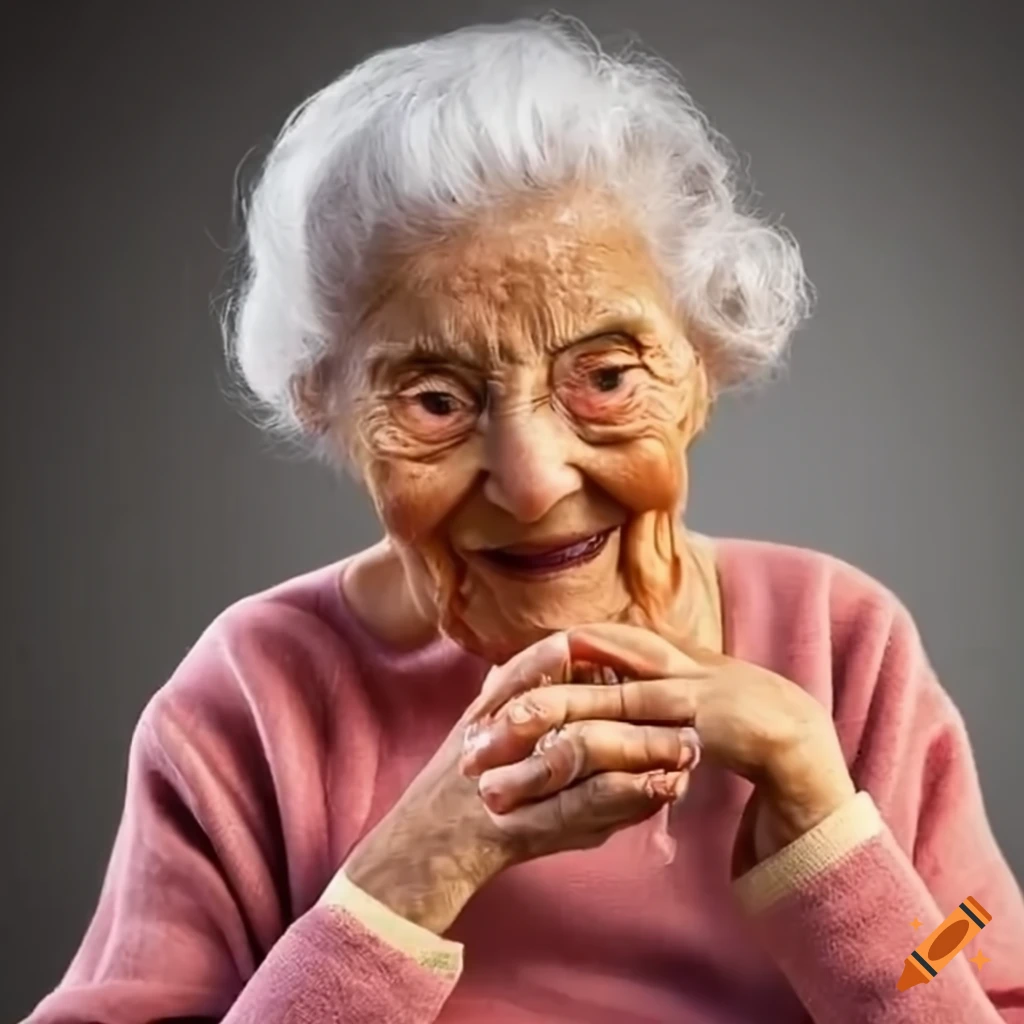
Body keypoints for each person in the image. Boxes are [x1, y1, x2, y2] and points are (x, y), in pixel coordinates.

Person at [27, 17, 1024, 1024]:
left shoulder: (840, 642)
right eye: (435, 401)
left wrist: (826, 828)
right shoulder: (249, 696)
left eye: (603, 375)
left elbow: (971, 949)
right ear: (326, 408)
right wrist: (412, 873)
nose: (535, 481)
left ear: (698, 373)